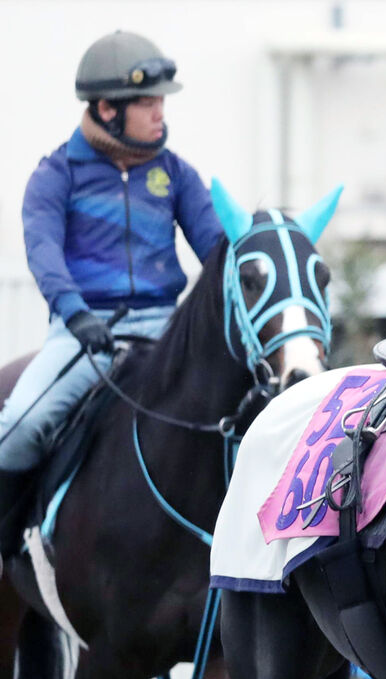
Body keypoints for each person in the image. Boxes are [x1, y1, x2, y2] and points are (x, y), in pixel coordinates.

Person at [0, 30, 222, 543]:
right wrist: (75, 311)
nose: (160, 114)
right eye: (147, 103)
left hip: (167, 326)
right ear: (106, 109)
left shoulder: (176, 174)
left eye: (160, 102)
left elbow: (214, 247)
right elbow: (44, 252)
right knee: (19, 429)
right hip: (86, 330)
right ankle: (9, 545)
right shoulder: (56, 175)